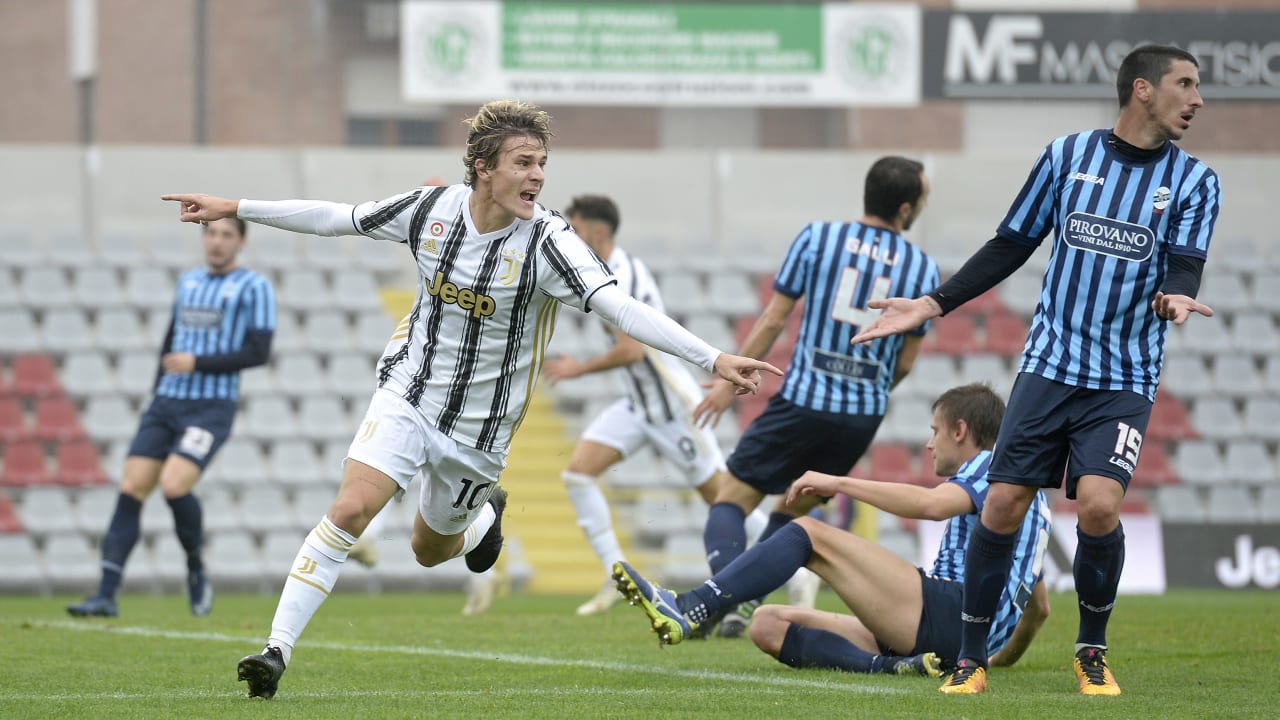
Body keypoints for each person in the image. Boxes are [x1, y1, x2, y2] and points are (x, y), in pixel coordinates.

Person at [161, 99, 780, 701]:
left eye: (542, 163)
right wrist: (236, 206)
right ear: (484, 167)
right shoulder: (432, 210)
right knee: (351, 509)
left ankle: (483, 517)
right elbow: (339, 217)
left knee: (428, 552)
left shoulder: (549, 242)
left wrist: (713, 357)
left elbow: (620, 306)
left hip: (480, 432)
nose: (537, 175)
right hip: (409, 392)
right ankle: (276, 651)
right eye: (523, 162)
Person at [849, 45, 1219, 696]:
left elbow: (1185, 262)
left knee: (1100, 505)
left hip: (1124, 376)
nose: (1197, 99)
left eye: (1198, 86)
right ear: (1141, 89)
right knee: (1003, 502)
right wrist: (935, 302)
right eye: (1184, 84)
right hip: (1050, 365)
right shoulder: (1066, 157)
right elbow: (1011, 244)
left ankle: (1091, 651)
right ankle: (970, 659)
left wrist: (1177, 294)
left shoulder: (1196, 182)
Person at [613, 383, 1052, 677]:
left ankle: (692, 606)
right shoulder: (1029, 497)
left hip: (948, 612)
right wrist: (993, 658)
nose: (929, 443)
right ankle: (892, 666)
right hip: (952, 638)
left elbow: (933, 506)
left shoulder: (993, 465)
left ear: (961, 430)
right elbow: (1040, 609)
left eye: (935, 431)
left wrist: (837, 481)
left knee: (809, 533)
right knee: (767, 625)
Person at [691, 156, 940, 637]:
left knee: (731, 500)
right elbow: (905, 363)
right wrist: (866, 389)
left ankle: (719, 598)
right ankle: (745, 601)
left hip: (803, 401)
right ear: (906, 208)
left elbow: (773, 320)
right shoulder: (923, 267)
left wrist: (727, 382)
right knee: (790, 518)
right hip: (859, 419)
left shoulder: (817, 238)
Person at [536, 194, 768, 616]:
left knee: (723, 500)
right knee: (578, 474)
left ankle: (796, 563)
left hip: (672, 407)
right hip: (637, 406)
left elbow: (631, 351)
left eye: (576, 227)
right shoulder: (603, 270)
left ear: (598, 231)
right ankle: (614, 577)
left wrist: (579, 369)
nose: (570, 235)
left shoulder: (622, 275)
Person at [67, 218, 276, 619]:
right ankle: (106, 594)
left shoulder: (255, 287)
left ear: (241, 242)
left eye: (226, 235)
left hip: (210, 408)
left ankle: (196, 566)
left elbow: (258, 352)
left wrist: (197, 362)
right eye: (211, 234)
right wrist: (156, 390)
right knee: (130, 488)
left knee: (174, 486)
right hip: (166, 404)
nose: (216, 242)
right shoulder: (189, 282)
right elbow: (170, 342)